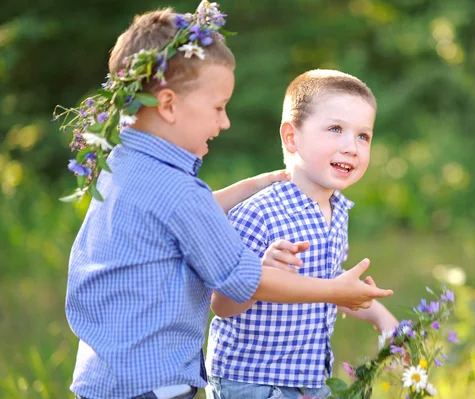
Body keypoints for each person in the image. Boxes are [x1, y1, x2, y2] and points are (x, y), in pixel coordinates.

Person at [62, 3, 393, 399]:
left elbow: (180, 219)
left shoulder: (124, 161)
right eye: (218, 108)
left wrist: (248, 184)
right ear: (167, 105)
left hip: (104, 374)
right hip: (151, 383)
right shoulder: (179, 191)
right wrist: (334, 292)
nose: (224, 122)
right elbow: (241, 279)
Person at [205, 69, 399, 399]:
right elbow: (221, 304)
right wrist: (261, 274)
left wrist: (383, 318)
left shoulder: (337, 211)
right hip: (251, 381)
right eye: (336, 129)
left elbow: (329, 285)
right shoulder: (258, 213)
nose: (351, 147)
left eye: (363, 136)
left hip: (308, 380)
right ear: (292, 137)